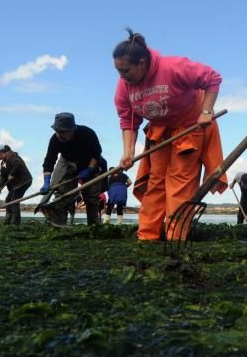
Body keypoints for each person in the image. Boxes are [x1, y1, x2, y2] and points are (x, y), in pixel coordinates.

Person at [113, 29, 227, 241]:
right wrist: (128, 152)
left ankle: (176, 237)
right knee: (155, 181)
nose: (121, 76)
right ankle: (147, 236)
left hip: (189, 126)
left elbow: (213, 78)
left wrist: (206, 111)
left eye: (125, 70)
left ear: (142, 63)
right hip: (160, 130)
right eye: (118, 71)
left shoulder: (173, 67)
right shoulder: (124, 86)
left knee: (179, 182)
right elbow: (127, 118)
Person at [40, 112, 104, 227]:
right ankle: (58, 224)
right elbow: (49, 161)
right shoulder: (55, 140)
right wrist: (46, 182)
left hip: (90, 162)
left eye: (63, 132)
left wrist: (89, 169)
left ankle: (93, 226)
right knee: (61, 193)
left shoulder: (87, 134)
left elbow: (97, 153)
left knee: (91, 198)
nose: (60, 135)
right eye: (57, 131)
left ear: (72, 129)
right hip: (67, 162)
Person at [0, 144, 32, 225]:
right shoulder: (3, 162)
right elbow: (3, 176)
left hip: (23, 182)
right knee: (8, 200)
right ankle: (7, 221)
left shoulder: (11, 156)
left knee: (14, 200)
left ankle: (15, 223)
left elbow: (18, 164)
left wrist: (12, 173)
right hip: (16, 185)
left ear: (0, 152)